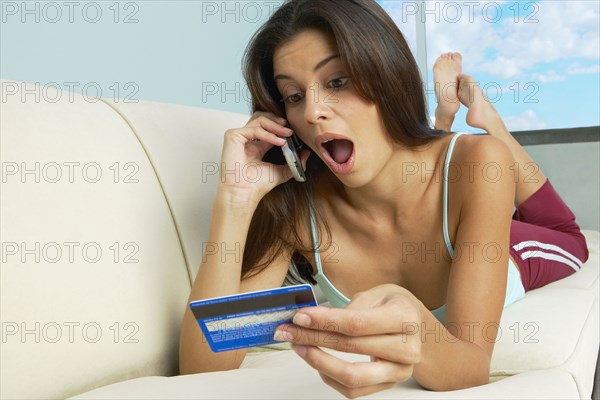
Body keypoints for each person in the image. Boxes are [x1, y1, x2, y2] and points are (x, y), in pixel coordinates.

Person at [179, 0, 589, 397]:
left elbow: (471, 365)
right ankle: (441, 121)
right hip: (445, 197)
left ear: (387, 74)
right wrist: (234, 199)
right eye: (294, 96)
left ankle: (488, 119)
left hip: (508, 249)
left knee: (568, 234)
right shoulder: (296, 208)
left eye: (337, 81)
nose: (313, 112)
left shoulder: (478, 162)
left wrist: (414, 326)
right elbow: (203, 365)